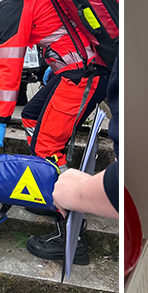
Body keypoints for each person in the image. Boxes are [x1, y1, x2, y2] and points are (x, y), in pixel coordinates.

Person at [0, 0, 108, 264]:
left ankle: (71, 238)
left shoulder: (13, 2)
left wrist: (1, 120)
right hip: (80, 69)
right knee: (33, 116)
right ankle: (47, 191)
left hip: (80, 76)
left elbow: (9, 69)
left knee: (47, 147)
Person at [52, 57, 119, 220]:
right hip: (84, 71)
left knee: (47, 142)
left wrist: (76, 193)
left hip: (79, 76)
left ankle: (63, 222)